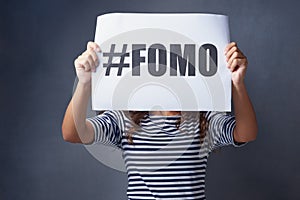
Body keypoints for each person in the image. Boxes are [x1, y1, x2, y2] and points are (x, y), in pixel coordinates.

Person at [62, 41, 258, 199]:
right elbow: (72, 133)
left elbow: (246, 133)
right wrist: (84, 82)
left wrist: (237, 84)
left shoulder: (203, 121)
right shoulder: (124, 120)